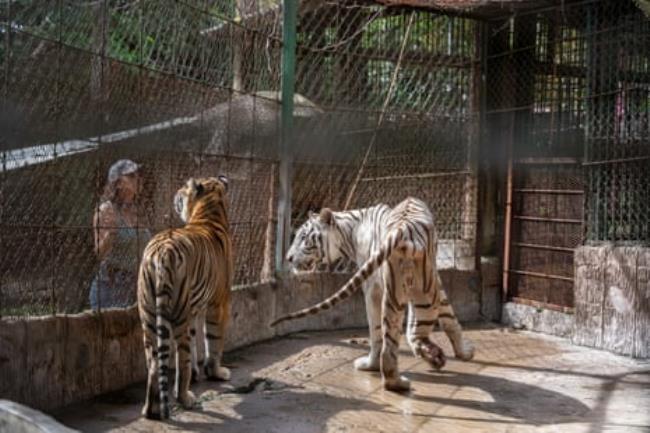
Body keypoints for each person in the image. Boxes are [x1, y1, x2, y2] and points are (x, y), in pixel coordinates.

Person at [89, 159, 151, 310]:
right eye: (131, 176)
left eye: (138, 175)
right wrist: (110, 234)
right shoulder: (106, 210)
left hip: (135, 286)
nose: (137, 179)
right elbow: (99, 253)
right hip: (110, 287)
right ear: (117, 183)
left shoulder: (138, 212)